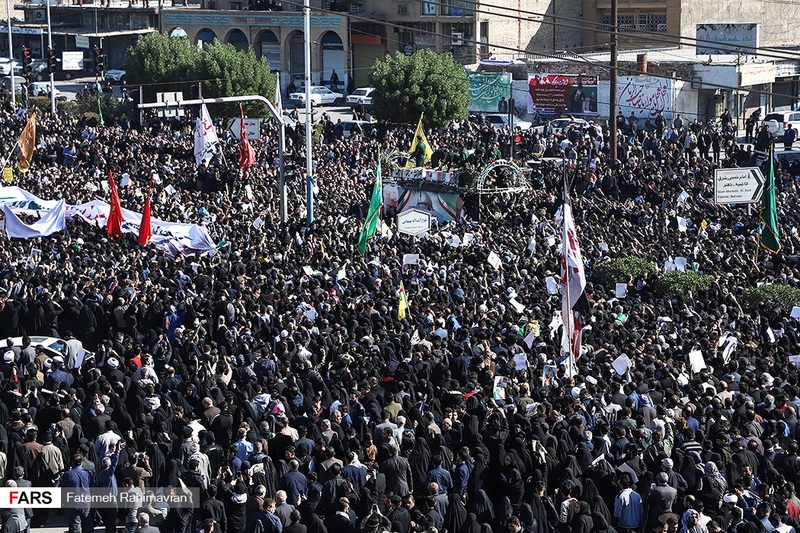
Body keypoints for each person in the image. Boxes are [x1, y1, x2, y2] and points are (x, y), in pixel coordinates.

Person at [60, 454, 93, 533]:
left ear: (72, 462)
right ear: (81, 462)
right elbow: (93, 487)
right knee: (87, 523)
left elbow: (62, 488)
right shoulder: (88, 473)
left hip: (73, 503)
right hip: (86, 502)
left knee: (76, 524)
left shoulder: (68, 474)